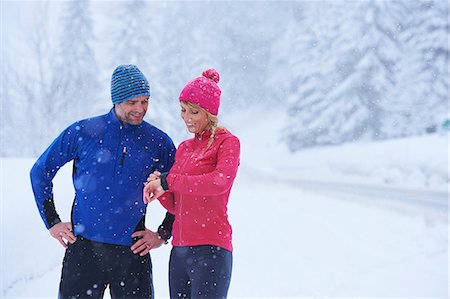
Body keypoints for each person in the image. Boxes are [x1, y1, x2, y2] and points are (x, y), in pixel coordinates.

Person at [30, 64, 176, 299]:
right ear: (116, 100)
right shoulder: (83, 132)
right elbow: (40, 171)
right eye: (132, 102)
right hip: (84, 251)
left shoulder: (158, 141)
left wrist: (163, 233)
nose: (141, 108)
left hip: (132, 252)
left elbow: (180, 187)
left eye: (145, 101)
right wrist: (52, 221)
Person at [143, 68, 240, 299]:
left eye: (194, 112)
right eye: (183, 110)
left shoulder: (228, 143)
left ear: (210, 113)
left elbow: (219, 183)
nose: (187, 117)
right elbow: (178, 204)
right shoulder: (185, 148)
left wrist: (169, 181)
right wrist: (159, 189)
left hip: (212, 249)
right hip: (180, 250)